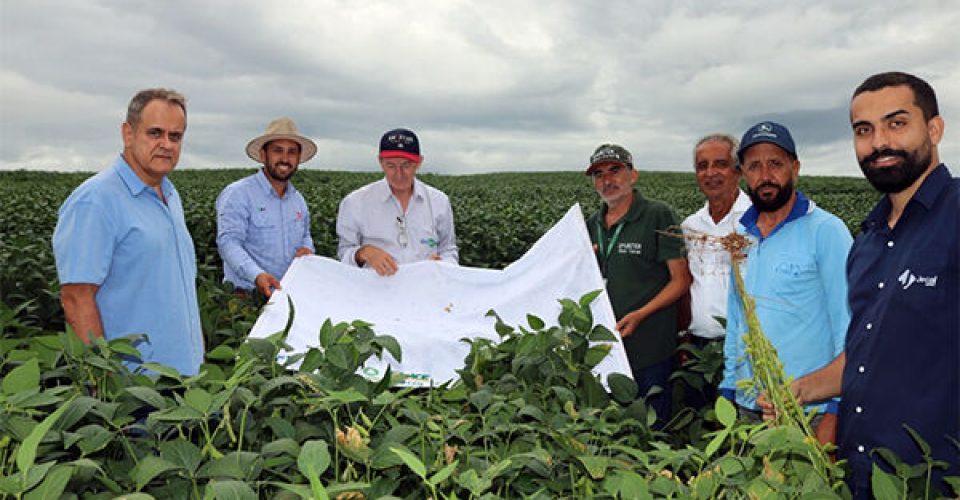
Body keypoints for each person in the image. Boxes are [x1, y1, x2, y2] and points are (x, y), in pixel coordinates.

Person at [760, 72, 958, 497]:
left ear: (935, 128)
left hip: (930, 478)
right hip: (861, 473)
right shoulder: (867, 240)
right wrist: (800, 390)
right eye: (863, 130)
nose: (879, 142)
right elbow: (868, 355)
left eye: (897, 123)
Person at [52, 88, 204, 375]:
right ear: (128, 133)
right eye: (155, 133)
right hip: (135, 389)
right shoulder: (95, 201)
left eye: (176, 136)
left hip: (183, 379)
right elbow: (76, 297)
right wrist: (105, 381)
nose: (166, 144)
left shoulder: (171, 196)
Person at [719, 122, 852, 440]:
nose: (765, 175)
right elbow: (737, 319)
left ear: (795, 168)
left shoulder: (826, 231)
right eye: (754, 166)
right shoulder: (740, 236)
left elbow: (849, 327)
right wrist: (728, 388)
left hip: (808, 410)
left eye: (775, 164)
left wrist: (835, 410)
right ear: (743, 175)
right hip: (751, 406)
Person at [585, 144, 691, 422]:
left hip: (650, 347)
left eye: (615, 170)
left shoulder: (658, 215)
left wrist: (641, 315)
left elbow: (680, 280)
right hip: (607, 350)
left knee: (653, 428)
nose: (607, 180)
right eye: (599, 174)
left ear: (633, 175)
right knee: (613, 429)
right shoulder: (591, 223)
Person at [680, 134, 752, 407]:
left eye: (720, 164)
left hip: (746, 348)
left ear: (738, 171)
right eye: (702, 166)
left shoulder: (757, 218)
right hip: (699, 348)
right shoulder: (691, 226)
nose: (710, 173)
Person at [216, 118, 317, 297]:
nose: (285, 159)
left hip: (288, 295)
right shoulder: (238, 194)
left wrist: (307, 249)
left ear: (298, 159)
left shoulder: (298, 200)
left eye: (292, 152)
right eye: (278, 150)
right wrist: (257, 275)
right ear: (263, 155)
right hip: (246, 298)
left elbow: (305, 236)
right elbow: (228, 243)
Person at [336, 128, 458, 275]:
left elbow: (448, 250)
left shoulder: (439, 201)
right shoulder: (354, 203)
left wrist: (444, 265)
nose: (399, 174)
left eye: (406, 166)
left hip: (426, 289)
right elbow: (343, 255)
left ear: (419, 162)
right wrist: (363, 253)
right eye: (391, 166)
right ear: (380, 162)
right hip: (375, 292)